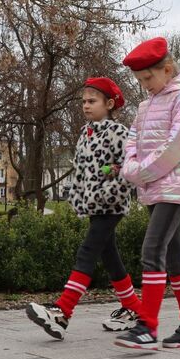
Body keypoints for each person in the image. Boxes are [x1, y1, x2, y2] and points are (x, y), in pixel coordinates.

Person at [25, 77, 142, 339]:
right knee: (109, 256)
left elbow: (130, 168)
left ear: (109, 104)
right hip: (93, 204)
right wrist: (78, 197)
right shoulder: (85, 133)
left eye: (92, 101)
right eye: (84, 102)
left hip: (111, 204)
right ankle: (135, 309)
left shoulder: (118, 132)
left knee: (87, 251)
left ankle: (63, 311)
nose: (86, 106)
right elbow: (80, 170)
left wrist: (110, 181)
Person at [114, 37, 180, 350]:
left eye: (148, 78)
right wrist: (132, 167)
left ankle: (147, 327)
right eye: (140, 80)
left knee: (152, 251)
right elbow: (132, 140)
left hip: (174, 186)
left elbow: (176, 145)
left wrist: (140, 172)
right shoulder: (146, 105)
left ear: (167, 69)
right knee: (176, 257)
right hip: (153, 186)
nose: (145, 85)